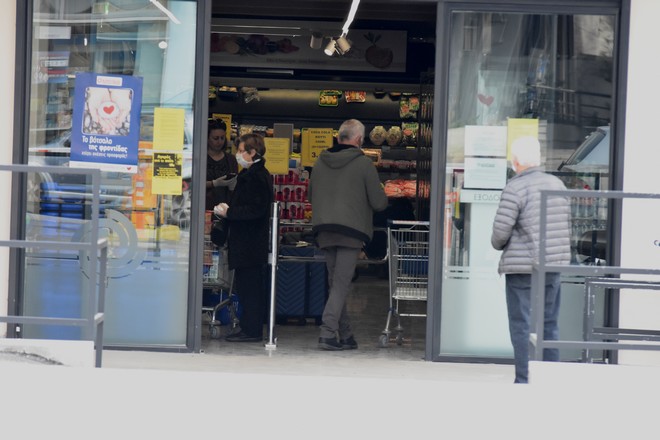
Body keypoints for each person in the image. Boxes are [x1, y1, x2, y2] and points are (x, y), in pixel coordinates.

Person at [491, 136, 571, 383]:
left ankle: (524, 378)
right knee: (549, 323)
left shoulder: (515, 187)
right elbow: (566, 224)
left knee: (521, 323)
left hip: (521, 267)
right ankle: (549, 376)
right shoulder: (557, 185)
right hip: (552, 265)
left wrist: (497, 245)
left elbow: (500, 233)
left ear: (515, 161)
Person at [309, 119, 388, 351]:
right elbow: (378, 202)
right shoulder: (364, 164)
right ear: (358, 140)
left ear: (338, 137)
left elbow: (310, 194)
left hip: (324, 229)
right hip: (351, 231)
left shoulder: (319, 162)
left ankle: (346, 335)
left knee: (336, 284)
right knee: (341, 285)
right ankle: (327, 332)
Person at [213, 133, 273, 342]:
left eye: (240, 151)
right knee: (248, 287)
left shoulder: (255, 177)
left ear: (252, 152)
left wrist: (229, 212)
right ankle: (250, 327)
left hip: (249, 241)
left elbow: (255, 209)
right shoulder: (254, 174)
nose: (237, 155)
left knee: (250, 288)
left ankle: (251, 329)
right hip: (249, 241)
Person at [206, 118, 238, 211]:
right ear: (207, 138)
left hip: (225, 209)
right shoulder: (200, 159)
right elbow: (191, 184)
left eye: (222, 138)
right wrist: (213, 183)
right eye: (215, 138)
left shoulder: (231, 159)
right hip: (203, 208)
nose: (219, 141)